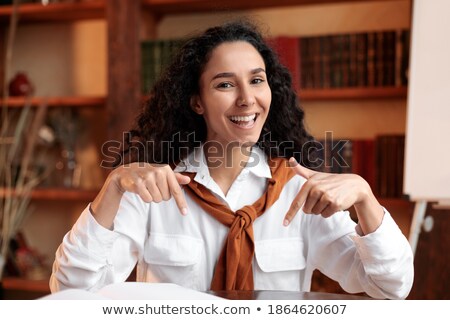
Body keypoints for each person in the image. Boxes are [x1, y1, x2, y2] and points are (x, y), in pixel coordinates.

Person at [50, 21, 413, 299]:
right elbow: (71, 291)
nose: (246, 99)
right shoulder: (153, 190)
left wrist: (366, 199)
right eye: (225, 85)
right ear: (196, 101)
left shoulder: (300, 192)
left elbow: (391, 285)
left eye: (256, 80)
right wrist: (111, 189)